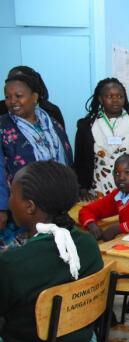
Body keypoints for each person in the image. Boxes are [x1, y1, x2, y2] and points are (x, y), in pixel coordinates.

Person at [0, 161, 103, 342]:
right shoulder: (86, 245)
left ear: (30, 207)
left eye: (12, 195)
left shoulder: (12, 264)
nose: (8, 202)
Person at [0, 73, 73, 250]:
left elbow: (66, 157)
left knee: (54, 254)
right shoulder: (3, 126)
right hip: (20, 208)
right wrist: (1, 208)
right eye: (8, 97)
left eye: (19, 96)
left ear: (34, 96)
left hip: (54, 206)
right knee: (22, 258)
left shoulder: (52, 123)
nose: (12, 101)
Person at [73, 77, 129, 199]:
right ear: (100, 99)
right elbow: (79, 161)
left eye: (120, 96)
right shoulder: (86, 126)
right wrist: (81, 188)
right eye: (109, 96)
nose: (115, 100)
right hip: (97, 191)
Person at [78, 154, 129, 241]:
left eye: (128, 173)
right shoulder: (118, 194)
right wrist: (92, 226)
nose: (121, 178)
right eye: (117, 173)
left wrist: (117, 229)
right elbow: (87, 210)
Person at [0, 66, 65, 126]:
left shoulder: (52, 111)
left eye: (20, 80)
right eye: (10, 80)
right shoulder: (2, 110)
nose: (13, 101)